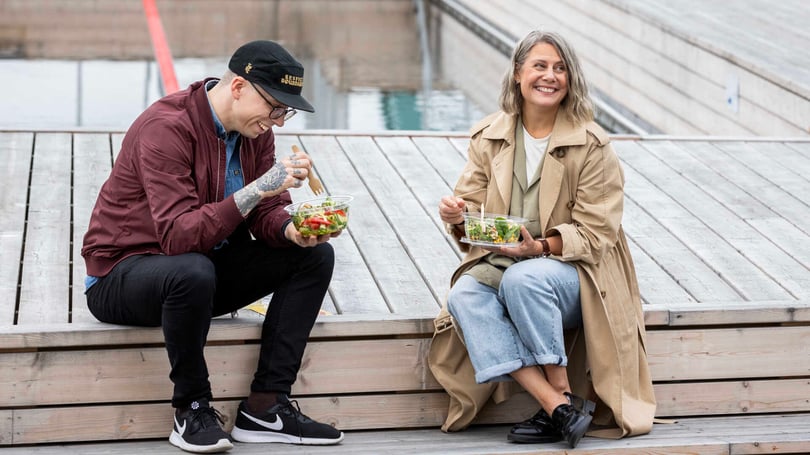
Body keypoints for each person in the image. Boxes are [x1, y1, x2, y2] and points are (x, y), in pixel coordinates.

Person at [81, 40, 345, 453]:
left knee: (314, 256)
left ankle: (266, 406)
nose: (277, 121)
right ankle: (192, 408)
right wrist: (261, 187)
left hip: (198, 275)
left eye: (285, 111)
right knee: (191, 270)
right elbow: (178, 236)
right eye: (274, 107)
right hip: (122, 276)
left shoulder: (254, 132)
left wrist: (293, 231)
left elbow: (267, 211)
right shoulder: (166, 127)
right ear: (238, 87)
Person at [429, 30, 656, 448]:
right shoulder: (490, 136)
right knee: (464, 296)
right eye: (539, 66)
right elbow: (472, 210)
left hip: (580, 274)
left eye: (560, 68)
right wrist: (457, 216)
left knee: (525, 279)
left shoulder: (591, 145)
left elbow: (596, 232)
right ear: (518, 74)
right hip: (506, 262)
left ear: (570, 79)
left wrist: (538, 248)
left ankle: (563, 394)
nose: (549, 76)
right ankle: (558, 406)